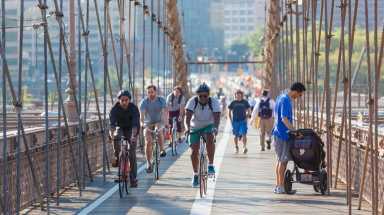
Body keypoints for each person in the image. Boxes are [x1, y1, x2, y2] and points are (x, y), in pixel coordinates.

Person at [185, 83, 221, 187]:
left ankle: (210, 165)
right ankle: (196, 174)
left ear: (208, 95)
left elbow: (217, 117)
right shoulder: (192, 101)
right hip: (195, 126)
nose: (202, 98)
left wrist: (215, 128)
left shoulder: (214, 102)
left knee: (210, 137)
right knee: (193, 152)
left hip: (208, 125)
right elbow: (187, 118)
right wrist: (187, 128)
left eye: (205, 96)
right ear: (197, 96)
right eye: (200, 96)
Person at [272, 82, 306, 194]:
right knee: (283, 161)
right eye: (300, 95)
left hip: (277, 133)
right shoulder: (286, 100)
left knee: (279, 161)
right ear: (296, 91)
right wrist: (294, 131)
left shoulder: (279, 97)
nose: (299, 97)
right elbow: (284, 118)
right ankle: (280, 186)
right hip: (283, 134)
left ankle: (278, 186)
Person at [109, 90, 140, 187]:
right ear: (119, 100)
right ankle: (117, 157)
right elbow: (112, 126)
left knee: (132, 153)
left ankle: (133, 178)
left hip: (131, 129)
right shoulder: (114, 109)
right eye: (122, 100)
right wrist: (111, 134)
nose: (124, 102)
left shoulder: (134, 108)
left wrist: (133, 137)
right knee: (116, 135)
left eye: (126, 100)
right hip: (120, 128)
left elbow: (135, 125)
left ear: (129, 100)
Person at [139, 85, 168, 173]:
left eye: (152, 92)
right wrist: (142, 124)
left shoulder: (161, 100)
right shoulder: (144, 102)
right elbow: (142, 117)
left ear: (155, 92)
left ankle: (162, 149)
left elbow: (164, 113)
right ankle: (148, 163)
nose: (150, 94)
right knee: (148, 142)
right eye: (148, 92)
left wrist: (165, 123)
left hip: (159, 121)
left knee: (158, 130)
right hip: (148, 123)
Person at [228, 89, 251, 154]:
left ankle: (244, 147)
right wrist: (231, 120)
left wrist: (247, 118)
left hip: (243, 121)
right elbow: (229, 112)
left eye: (239, 95)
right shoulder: (233, 102)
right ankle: (236, 147)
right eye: (237, 95)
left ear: (241, 95)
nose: (238, 96)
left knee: (244, 134)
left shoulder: (245, 102)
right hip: (235, 121)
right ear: (235, 95)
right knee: (236, 135)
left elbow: (249, 110)